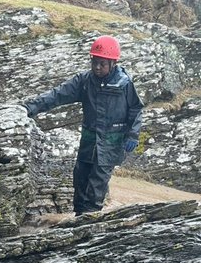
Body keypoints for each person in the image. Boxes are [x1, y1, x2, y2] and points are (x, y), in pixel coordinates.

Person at [23, 35, 142, 215]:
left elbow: (136, 109)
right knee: (80, 179)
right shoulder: (84, 81)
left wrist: (133, 135)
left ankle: (90, 220)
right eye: (94, 62)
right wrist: (30, 108)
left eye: (102, 64)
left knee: (97, 184)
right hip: (89, 141)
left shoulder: (124, 84)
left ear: (113, 63)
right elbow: (57, 95)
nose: (97, 67)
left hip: (111, 143)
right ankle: (79, 216)